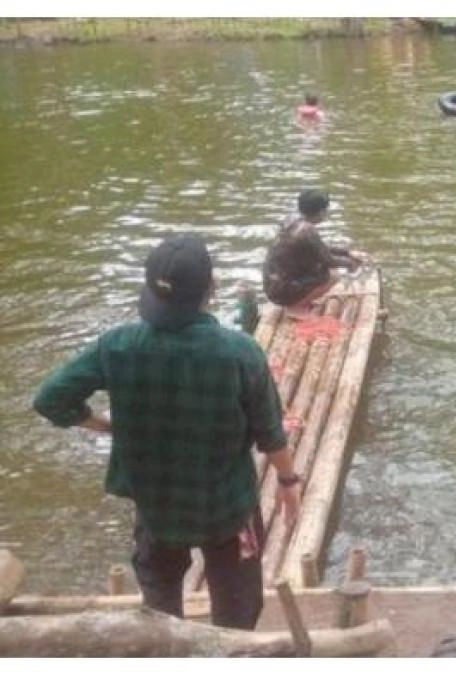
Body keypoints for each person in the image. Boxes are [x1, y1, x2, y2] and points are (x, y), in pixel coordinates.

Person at [32, 235, 301, 629]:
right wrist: (288, 480)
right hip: (227, 508)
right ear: (211, 289)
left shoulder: (117, 346)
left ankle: (167, 652)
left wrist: (103, 425)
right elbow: (270, 432)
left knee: (159, 599)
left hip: (156, 506)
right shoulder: (239, 352)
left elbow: (50, 399)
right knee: (238, 605)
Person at [263, 189, 366, 317]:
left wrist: (348, 253)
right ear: (321, 211)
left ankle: (298, 300)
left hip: (272, 285)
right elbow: (329, 261)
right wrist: (350, 264)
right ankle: (295, 307)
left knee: (322, 270)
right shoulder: (307, 230)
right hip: (281, 291)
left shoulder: (292, 220)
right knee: (332, 276)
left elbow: (320, 247)